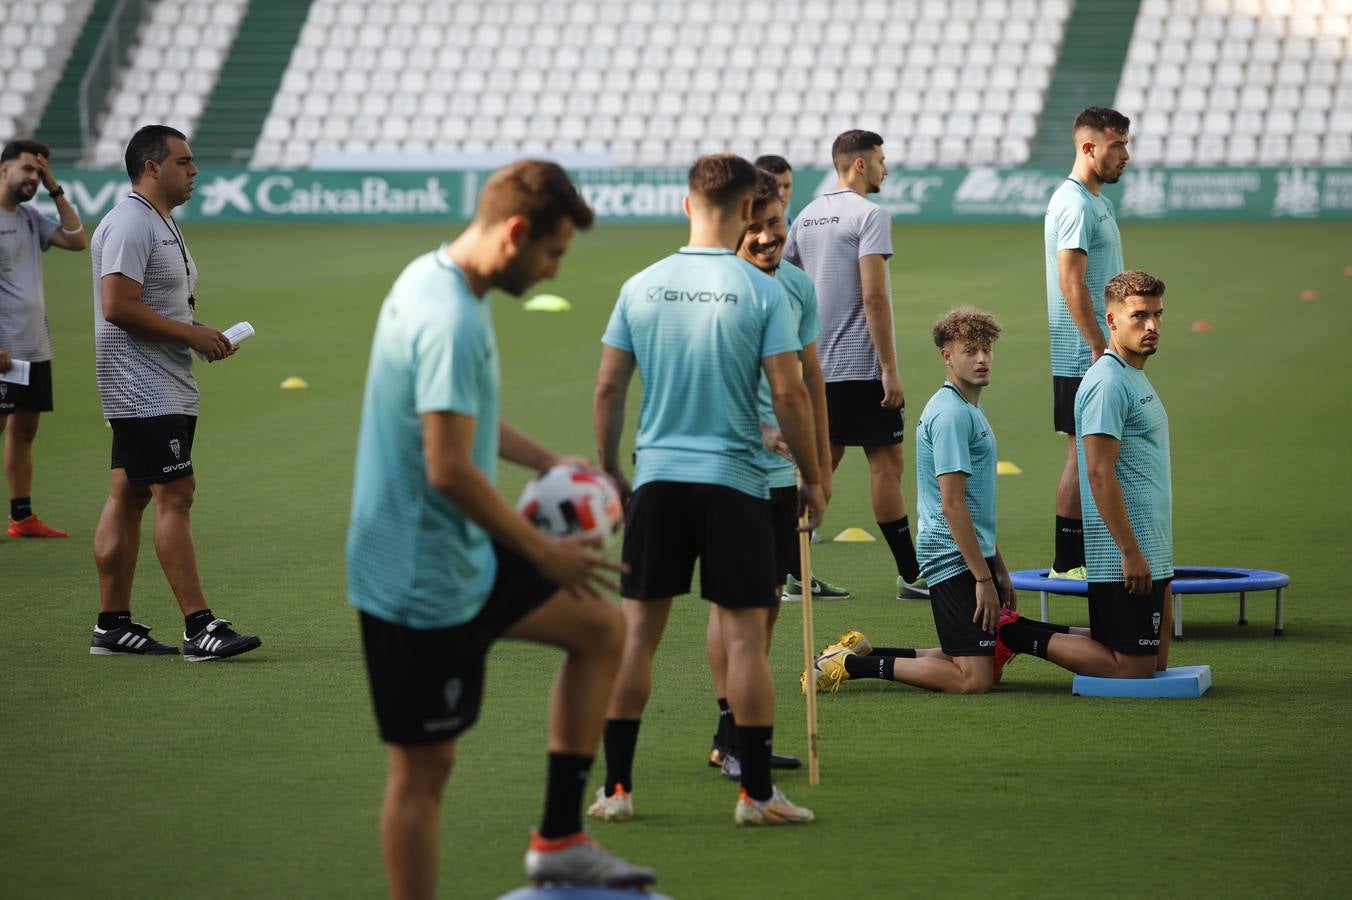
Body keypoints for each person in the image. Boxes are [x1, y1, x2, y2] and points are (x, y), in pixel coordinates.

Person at [346, 160, 654, 898]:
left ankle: (559, 840)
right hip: (415, 579)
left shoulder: (438, 279)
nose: (552, 271)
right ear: (516, 233)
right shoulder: (449, 317)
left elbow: (462, 417)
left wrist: (546, 457)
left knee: (601, 631)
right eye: (553, 253)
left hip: (462, 558)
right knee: (423, 773)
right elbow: (448, 468)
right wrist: (544, 550)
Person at [593, 153, 825, 826]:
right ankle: (755, 795)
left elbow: (609, 386)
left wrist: (610, 469)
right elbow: (788, 391)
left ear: (688, 203)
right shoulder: (762, 291)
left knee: (637, 637)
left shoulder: (642, 284)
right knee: (747, 641)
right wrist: (811, 476)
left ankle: (615, 790)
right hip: (737, 483)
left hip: (659, 480)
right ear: (749, 211)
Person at [88, 125, 261, 661]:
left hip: (160, 382)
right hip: (142, 387)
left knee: (130, 493)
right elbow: (117, 305)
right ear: (151, 167)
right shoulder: (129, 223)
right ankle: (198, 627)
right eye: (184, 162)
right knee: (175, 494)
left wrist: (198, 336)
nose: (194, 171)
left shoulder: (156, 221)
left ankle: (112, 626)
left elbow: (154, 306)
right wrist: (192, 334)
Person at [805, 308, 1030, 695]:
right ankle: (852, 666)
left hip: (969, 553)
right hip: (951, 557)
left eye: (986, 350)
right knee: (973, 679)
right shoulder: (951, 416)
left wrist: (999, 568)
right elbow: (953, 505)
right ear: (947, 356)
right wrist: (982, 578)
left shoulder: (968, 408)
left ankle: (858, 652)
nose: (981, 359)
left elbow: (976, 508)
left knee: (975, 662)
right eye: (970, 351)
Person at [706, 169, 842, 780]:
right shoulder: (713, 286)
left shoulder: (794, 284)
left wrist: (818, 462)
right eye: (755, 226)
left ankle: (737, 733)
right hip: (728, 467)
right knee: (736, 608)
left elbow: (812, 377)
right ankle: (732, 732)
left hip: (783, 470)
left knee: (769, 600)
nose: (767, 237)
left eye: (776, 225)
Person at [998, 270, 1173, 678]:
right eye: (1139, 316)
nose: (1152, 326)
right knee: (1132, 669)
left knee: (1156, 660)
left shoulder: (1133, 375)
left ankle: (1021, 629)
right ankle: (1015, 637)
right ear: (1111, 321)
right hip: (1122, 554)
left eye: (1158, 315)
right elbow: (1097, 472)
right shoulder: (1108, 383)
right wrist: (1129, 551)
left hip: (1154, 545)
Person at [784, 130, 927, 600]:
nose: (886, 169)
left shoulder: (804, 217)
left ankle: (792, 571)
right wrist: (889, 368)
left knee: (820, 470)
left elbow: (784, 282)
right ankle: (912, 574)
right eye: (882, 160)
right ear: (860, 165)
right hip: (861, 367)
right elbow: (874, 296)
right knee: (887, 465)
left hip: (815, 367)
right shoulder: (870, 215)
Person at [1044, 107, 1130, 579]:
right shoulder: (1075, 204)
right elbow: (1071, 283)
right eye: (1117, 145)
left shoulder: (1099, 202)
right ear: (1089, 147)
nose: (1126, 155)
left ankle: (1084, 554)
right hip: (1083, 353)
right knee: (1083, 455)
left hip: (1100, 349)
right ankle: (1067, 561)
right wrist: (1099, 345)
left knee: (1095, 452)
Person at [0, 138, 87, 538]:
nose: (34, 177)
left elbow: (76, 239)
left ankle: (22, 518)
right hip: (3, 348)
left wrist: (55, 188)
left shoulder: (31, 217)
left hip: (34, 346)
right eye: (29, 170)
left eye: (40, 171)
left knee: (25, 431)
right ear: (4, 170)